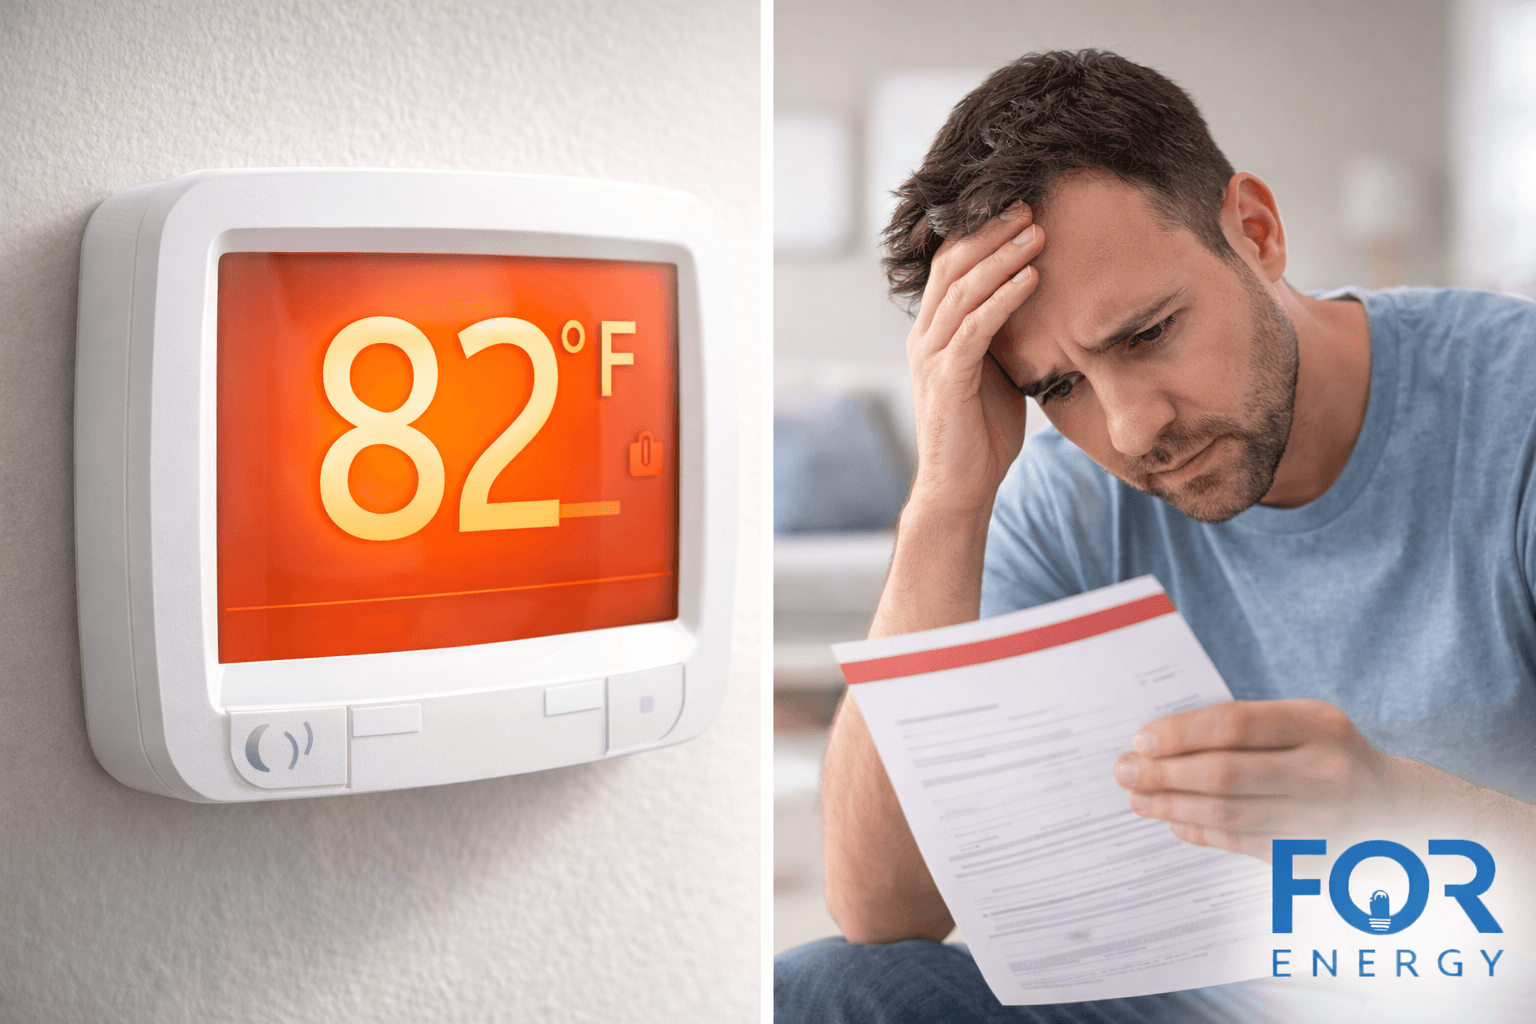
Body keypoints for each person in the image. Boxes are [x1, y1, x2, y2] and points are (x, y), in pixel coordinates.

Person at [775, 49, 1536, 1022]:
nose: (1131, 430)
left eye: (1145, 335)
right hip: (1219, 994)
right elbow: (885, 910)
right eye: (1059, 387)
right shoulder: (1066, 498)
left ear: (1254, 232)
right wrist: (945, 502)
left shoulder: (1515, 419)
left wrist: (1396, 812)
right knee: (824, 990)